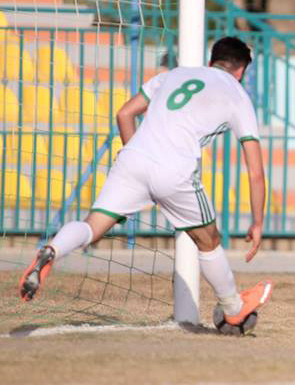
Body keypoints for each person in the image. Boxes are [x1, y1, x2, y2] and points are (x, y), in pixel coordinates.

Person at [19, 37, 273, 331]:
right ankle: (233, 309)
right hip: (174, 169)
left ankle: (52, 249)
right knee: (208, 240)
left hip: (133, 158)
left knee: (92, 226)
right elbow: (255, 170)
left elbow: (124, 113)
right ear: (240, 70)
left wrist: (139, 169)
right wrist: (257, 221)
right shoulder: (238, 95)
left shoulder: (174, 74)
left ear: (212, 60)